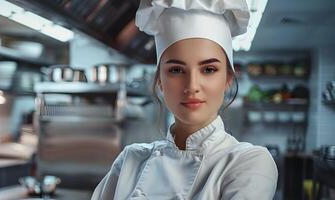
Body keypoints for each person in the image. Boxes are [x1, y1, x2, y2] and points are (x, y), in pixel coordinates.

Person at [91, 0, 278, 199]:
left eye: (208, 69)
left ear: (228, 80)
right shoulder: (130, 160)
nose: (192, 86)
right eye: (176, 70)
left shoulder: (248, 162)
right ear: (160, 81)